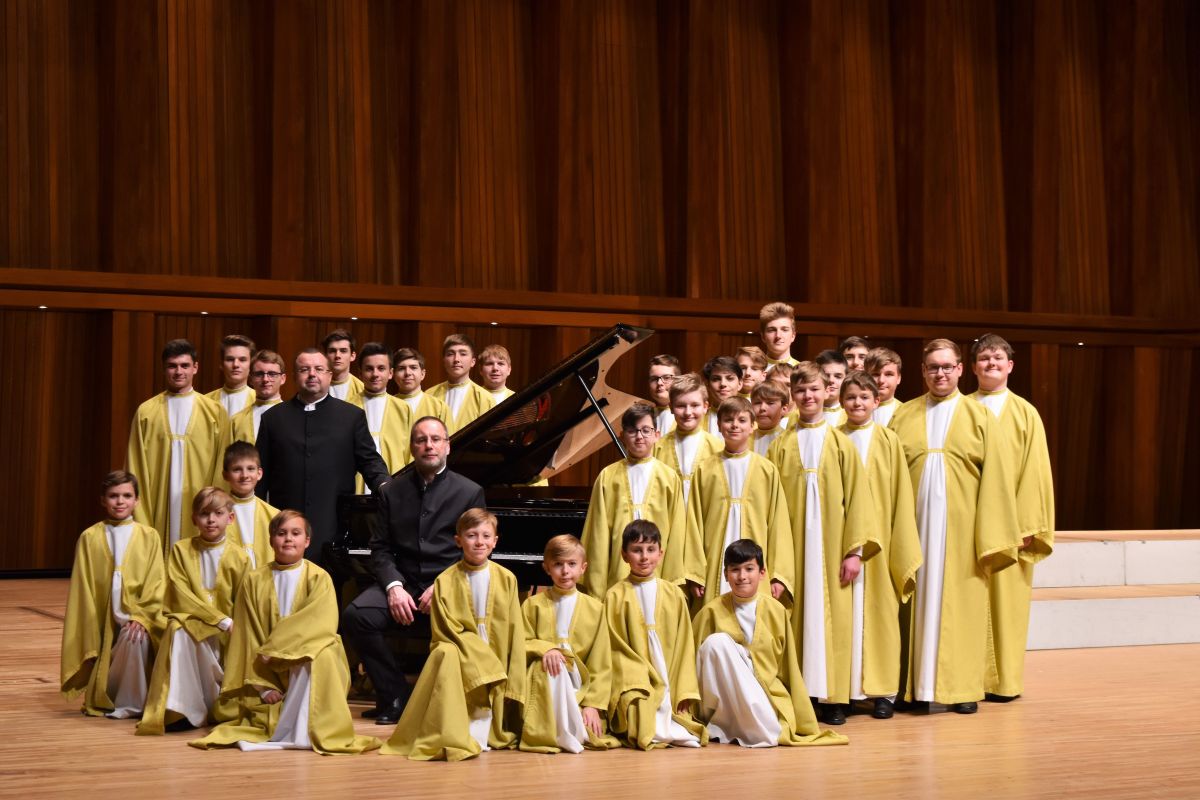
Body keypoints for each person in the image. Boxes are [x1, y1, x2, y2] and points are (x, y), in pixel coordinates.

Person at [889, 338, 1021, 713]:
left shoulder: (979, 417)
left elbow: (996, 478)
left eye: (947, 367)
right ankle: (911, 687)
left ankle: (962, 689)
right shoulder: (905, 415)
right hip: (913, 528)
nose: (941, 374)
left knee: (962, 606)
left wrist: (990, 536)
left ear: (961, 369)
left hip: (961, 533)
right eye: (933, 367)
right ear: (923, 372)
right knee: (910, 605)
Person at [190, 511, 381, 754]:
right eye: (281, 534)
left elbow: (320, 624)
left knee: (319, 653)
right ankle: (282, 717)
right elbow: (248, 636)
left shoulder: (319, 578)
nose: (288, 539)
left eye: (295, 533)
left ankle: (306, 730)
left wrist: (277, 649)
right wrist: (264, 685)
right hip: (266, 670)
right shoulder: (254, 580)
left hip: (304, 656)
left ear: (307, 541)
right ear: (271, 541)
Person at [340, 416, 486, 725]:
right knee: (357, 615)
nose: (428, 445)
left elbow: (473, 550)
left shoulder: (470, 492)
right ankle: (395, 694)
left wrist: (444, 586)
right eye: (421, 440)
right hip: (403, 581)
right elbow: (380, 548)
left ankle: (449, 700)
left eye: (435, 439)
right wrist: (393, 586)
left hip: (448, 585)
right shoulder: (392, 491)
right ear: (412, 448)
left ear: (447, 446)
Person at [767, 362, 875, 726]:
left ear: (827, 392)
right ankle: (804, 695)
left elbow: (858, 500)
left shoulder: (841, 443)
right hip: (794, 548)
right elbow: (772, 504)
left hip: (832, 551)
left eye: (814, 390)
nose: (808, 397)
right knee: (798, 619)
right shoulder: (781, 446)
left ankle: (833, 698)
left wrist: (853, 552)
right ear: (792, 397)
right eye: (800, 392)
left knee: (835, 621)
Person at [381, 509, 525, 761]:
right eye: (471, 535)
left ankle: (491, 730)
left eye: (485, 536)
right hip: (463, 649)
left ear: (495, 541)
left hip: (497, 645)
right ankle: (460, 730)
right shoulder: (445, 581)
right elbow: (445, 629)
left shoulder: (507, 579)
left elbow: (514, 626)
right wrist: (477, 652)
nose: (479, 542)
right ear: (458, 540)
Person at [692, 540, 848, 748]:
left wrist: (803, 718)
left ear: (762, 572)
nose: (742, 576)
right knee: (716, 643)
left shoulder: (776, 611)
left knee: (769, 730)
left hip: (764, 694)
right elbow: (691, 662)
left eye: (749, 569)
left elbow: (789, 667)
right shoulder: (710, 612)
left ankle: (751, 725)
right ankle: (722, 723)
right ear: (726, 574)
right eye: (735, 570)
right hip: (723, 699)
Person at [968, 333, 1054, 702]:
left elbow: (1035, 473)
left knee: (1008, 607)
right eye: (984, 359)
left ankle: (1003, 682)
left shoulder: (1024, 413)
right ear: (971, 367)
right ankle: (965, 679)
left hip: (1011, 528)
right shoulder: (962, 408)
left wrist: (1024, 527)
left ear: (1010, 365)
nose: (991, 364)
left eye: (997, 358)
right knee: (966, 601)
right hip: (967, 524)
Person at [838, 372, 922, 720]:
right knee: (843, 617)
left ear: (876, 401)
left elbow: (901, 494)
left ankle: (884, 691)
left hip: (883, 542)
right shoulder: (834, 438)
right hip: (842, 541)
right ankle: (843, 691)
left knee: (882, 615)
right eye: (851, 397)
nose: (857, 403)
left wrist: (899, 540)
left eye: (864, 397)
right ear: (841, 401)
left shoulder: (888, 440)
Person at [254, 349, 390, 561]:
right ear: (294, 375)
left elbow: (370, 461)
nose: (312, 374)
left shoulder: (351, 416)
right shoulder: (273, 418)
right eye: (304, 369)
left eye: (318, 369)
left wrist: (384, 486)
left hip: (333, 524)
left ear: (329, 375)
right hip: (285, 526)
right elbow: (260, 476)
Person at [137, 487, 251, 734]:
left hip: (227, 631)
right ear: (193, 519)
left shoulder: (240, 557)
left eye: (218, 513)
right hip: (194, 622)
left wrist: (229, 624)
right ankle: (182, 710)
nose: (211, 520)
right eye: (204, 513)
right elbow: (179, 593)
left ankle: (216, 705)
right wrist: (218, 619)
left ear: (230, 518)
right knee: (178, 630)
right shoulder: (181, 550)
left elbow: (243, 601)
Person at [61, 471, 165, 718]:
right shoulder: (90, 537)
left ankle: (132, 702)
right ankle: (106, 692)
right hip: (103, 614)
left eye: (127, 496)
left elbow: (156, 582)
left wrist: (141, 616)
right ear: (102, 500)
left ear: (137, 500)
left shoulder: (149, 536)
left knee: (134, 636)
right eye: (113, 496)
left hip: (137, 613)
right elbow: (83, 584)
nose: (120, 501)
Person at [685, 397, 793, 615]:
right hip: (716, 563)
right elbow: (694, 523)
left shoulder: (766, 470)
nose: (735, 425)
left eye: (742, 420)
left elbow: (778, 524)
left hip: (756, 566)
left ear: (752, 425)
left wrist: (778, 575)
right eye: (728, 420)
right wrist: (695, 573)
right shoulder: (706, 469)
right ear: (718, 425)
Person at [605, 520, 706, 750]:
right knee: (640, 713)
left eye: (650, 550)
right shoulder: (615, 596)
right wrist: (638, 673)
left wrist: (684, 690)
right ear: (624, 555)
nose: (644, 557)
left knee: (675, 716)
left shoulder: (674, 594)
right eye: (637, 550)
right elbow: (615, 647)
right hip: (636, 675)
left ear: (661, 553)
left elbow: (683, 647)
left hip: (668, 672)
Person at [519, 535, 619, 753]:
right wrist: (546, 648)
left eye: (571, 564)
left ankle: (573, 719)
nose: (565, 571)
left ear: (583, 567)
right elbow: (521, 642)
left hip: (580, 683)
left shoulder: (596, 608)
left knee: (586, 728)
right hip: (545, 678)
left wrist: (592, 704)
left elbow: (601, 661)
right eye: (558, 564)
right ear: (547, 568)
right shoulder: (532, 605)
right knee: (553, 665)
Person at [127, 339, 231, 550]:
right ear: (164, 369)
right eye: (172, 366)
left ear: (195, 367)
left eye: (184, 365)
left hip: (199, 502)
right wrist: (140, 512)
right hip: (158, 503)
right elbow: (135, 464)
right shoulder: (146, 412)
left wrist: (214, 506)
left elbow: (223, 461)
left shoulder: (214, 411)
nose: (178, 371)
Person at [581, 403, 688, 597]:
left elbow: (677, 531)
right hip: (617, 568)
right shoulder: (607, 476)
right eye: (632, 431)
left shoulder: (669, 477)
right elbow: (597, 533)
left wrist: (672, 580)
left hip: (657, 567)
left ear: (657, 435)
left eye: (646, 430)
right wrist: (597, 583)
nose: (639, 436)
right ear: (622, 436)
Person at [652, 373, 723, 504]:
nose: (688, 412)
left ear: (705, 407)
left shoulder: (718, 448)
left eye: (695, 405)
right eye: (681, 406)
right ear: (671, 407)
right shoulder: (658, 448)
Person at [354, 342, 413, 489]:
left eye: (381, 368)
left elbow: (410, 454)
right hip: (355, 489)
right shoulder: (347, 407)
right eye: (369, 369)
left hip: (395, 488)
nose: (375, 374)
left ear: (391, 373)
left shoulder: (403, 408)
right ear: (360, 373)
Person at [223, 441, 278, 568]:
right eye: (237, 469)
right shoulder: (216, 513)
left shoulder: (274, 515)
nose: (245, 475)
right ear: (225, 475)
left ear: (259, 474)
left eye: (250, 469)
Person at [428, 333, 495, 433]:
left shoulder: (485, 398)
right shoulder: (430, 394)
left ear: (473, 362)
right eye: (450, 354)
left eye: (463, 354)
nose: (456, 359)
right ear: (444, 361)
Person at [229, 350, 286, 444]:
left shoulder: (294, 417)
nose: (265, 379)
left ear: (283, 379)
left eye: (272, 374)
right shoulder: (237, 420)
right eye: (259, 374)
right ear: (250, 379)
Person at [392, 347, 452, 426]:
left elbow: (451, 438)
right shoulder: (385, 406)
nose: (407, 373)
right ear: (393, 374)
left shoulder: (440, 408)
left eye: (413, 367)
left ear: (422, 374)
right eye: (401, 368)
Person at [206, 334, 256, 418]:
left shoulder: (260, 401)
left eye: (242, 360)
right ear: (221, 364)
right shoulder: (206, 401)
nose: (236, 364)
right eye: (230, 359)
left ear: (251, 365)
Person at [701, 356, 743, 436]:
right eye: (716, 379)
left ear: (740, 384)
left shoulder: (753, 422)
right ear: (707, 385)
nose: (723, 384)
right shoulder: (697, 421)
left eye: (730, 378)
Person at [865, 347, 903, 427]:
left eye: (889, 374)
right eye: (875, 374)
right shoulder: (851, 410)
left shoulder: (906, 411)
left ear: (898, 378)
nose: (881, 380)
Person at [323, 328, 363, 404]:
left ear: (352, 356)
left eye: (343, 351)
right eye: (332, 351)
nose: (337, 355)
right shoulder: (317, 385)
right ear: (325, 356)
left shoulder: (361, 389)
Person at [751, 380, 791, 456]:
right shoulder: (745, 438)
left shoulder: (787, 440)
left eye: (770, 403)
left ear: (784, 409)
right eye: (757, 403)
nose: (762, 408)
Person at [647, 354, 682, 435]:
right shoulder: (643, 417)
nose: (659, 383)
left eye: (666, 378)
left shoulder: (690, 415)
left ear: (678, 380)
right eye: (654, 379)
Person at [759, 302, 799, 370]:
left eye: (784, 330)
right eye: (772, 330)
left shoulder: (801, 371)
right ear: (763, 336)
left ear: (793, 336)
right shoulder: (753, 371)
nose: (778, 336)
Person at [815, 349, 849, 427]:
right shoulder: (800, 415)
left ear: (846, 379)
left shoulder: (853, 415)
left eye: (838, 376)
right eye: (826, 376)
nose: (831, 380)